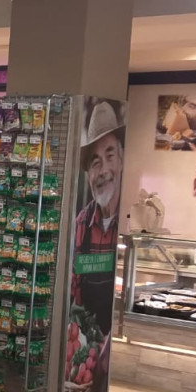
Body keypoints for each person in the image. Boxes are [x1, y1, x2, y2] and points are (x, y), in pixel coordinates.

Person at [71, 101, 124, 335]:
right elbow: (74, 284)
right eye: (95, 162)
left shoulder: (126, 220)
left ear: (121, 161)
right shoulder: (82, 222)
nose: (102, 170)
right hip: (86, 338)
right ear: (88, 174)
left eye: (109, 156)